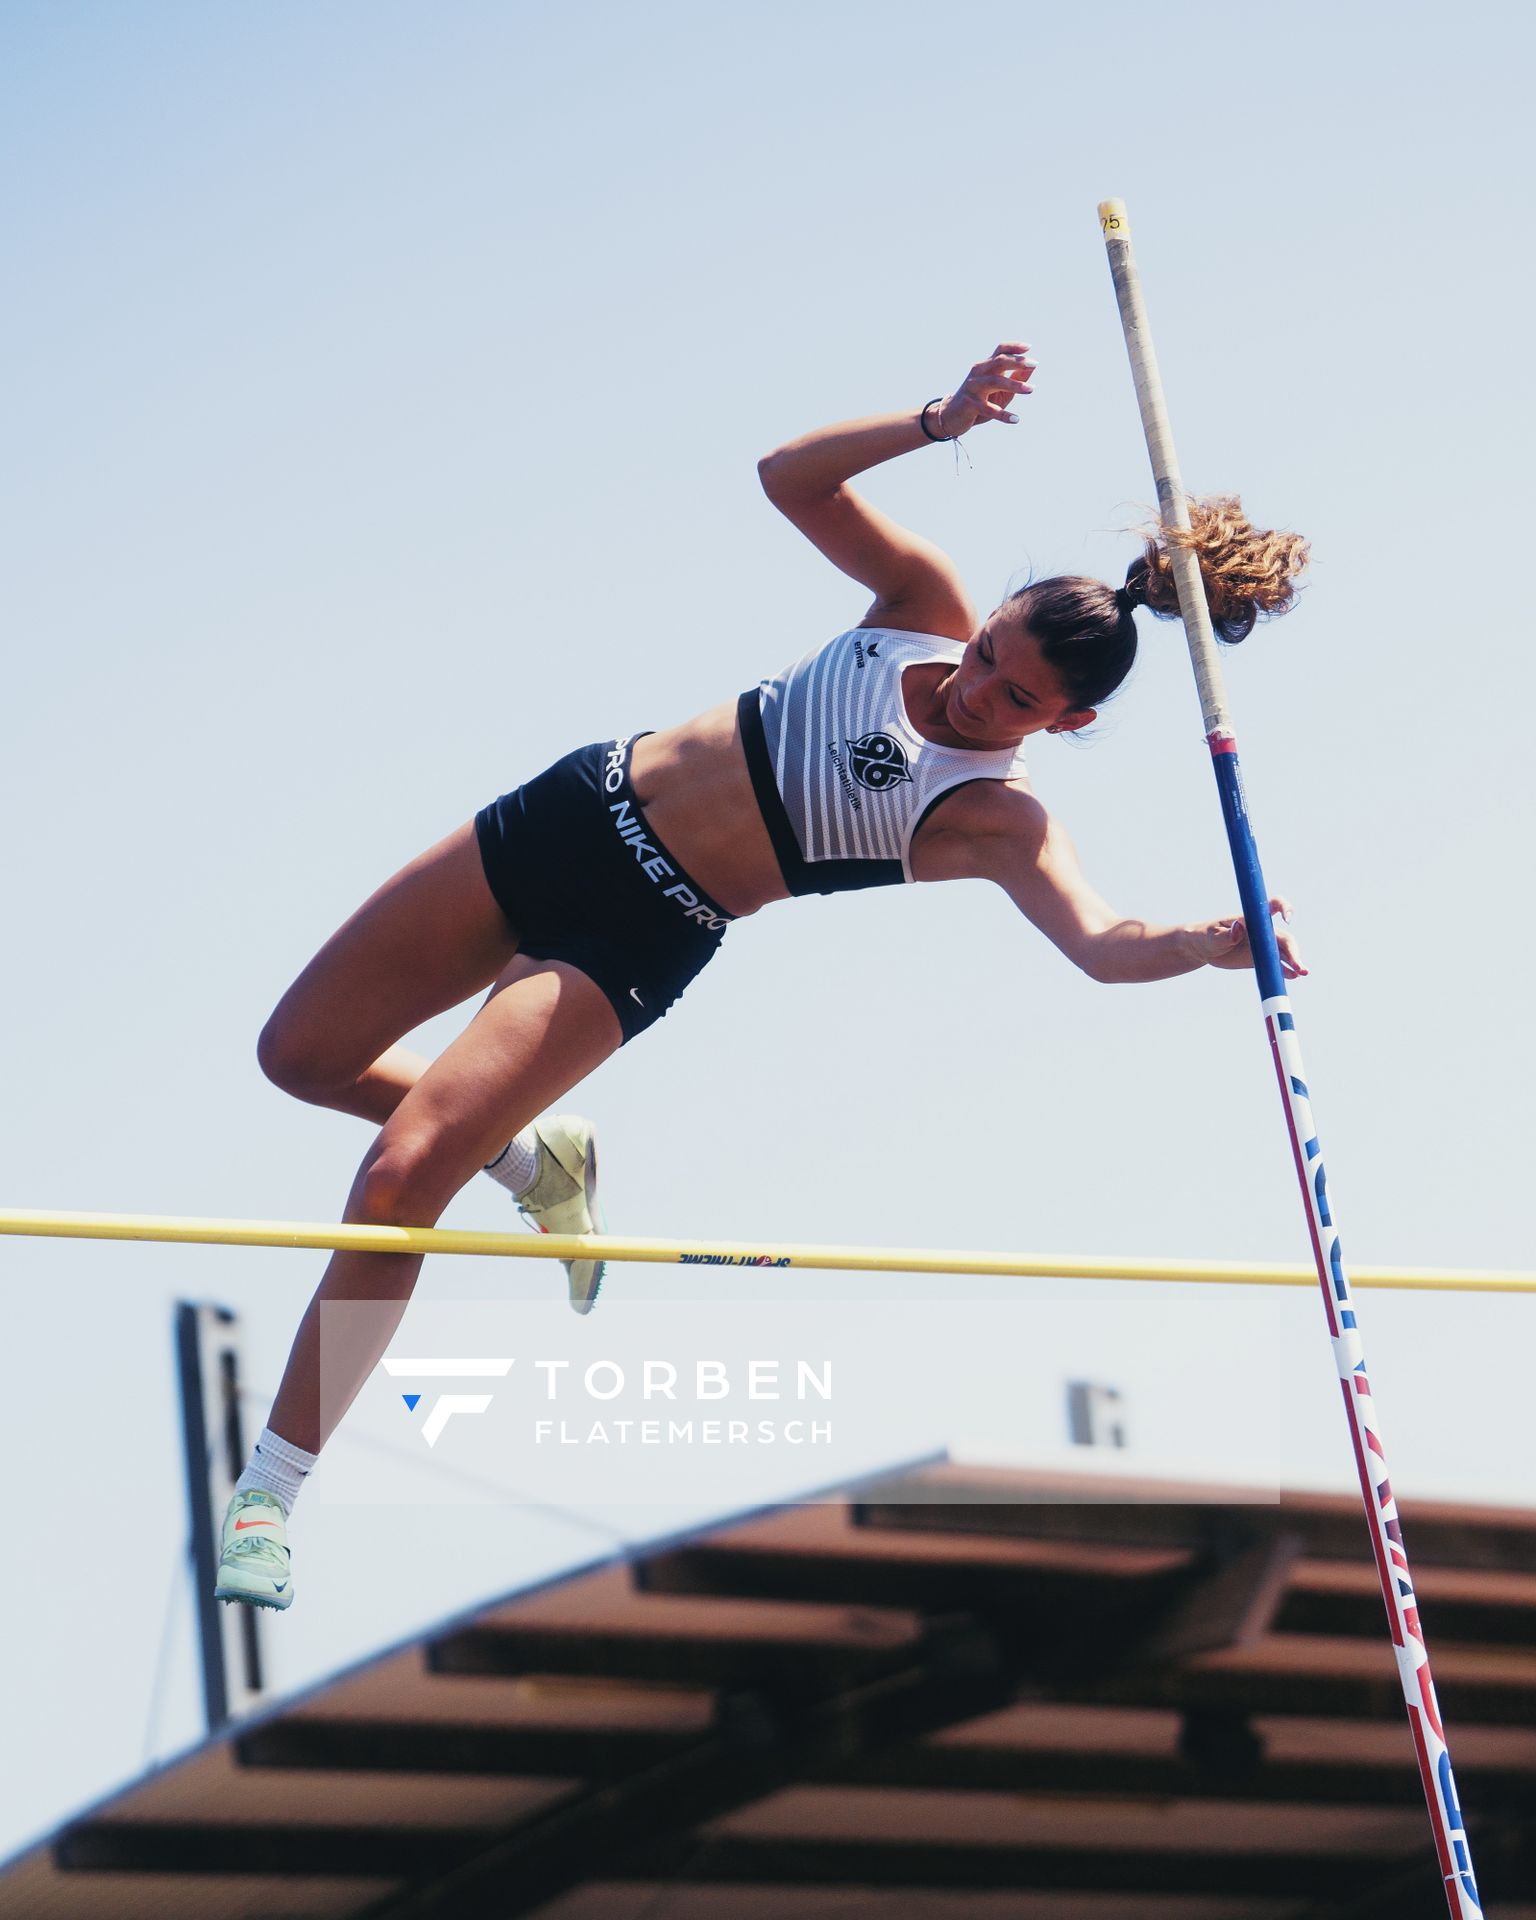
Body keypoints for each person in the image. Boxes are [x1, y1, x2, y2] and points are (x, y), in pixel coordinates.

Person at [214, 343, 1310, 1610]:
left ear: (1066, 727)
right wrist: (937, 419)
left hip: (635, 933)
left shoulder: (995, 823)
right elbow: (788, 479)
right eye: (987, 655)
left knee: (403, 1172)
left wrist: (1212, 944)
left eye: (1012, 702)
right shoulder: (919, 599)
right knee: (297, 1057)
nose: (971, 696)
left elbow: (1104, 947)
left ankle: (272, 1491)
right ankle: (534, 1161)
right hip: (571, 812)